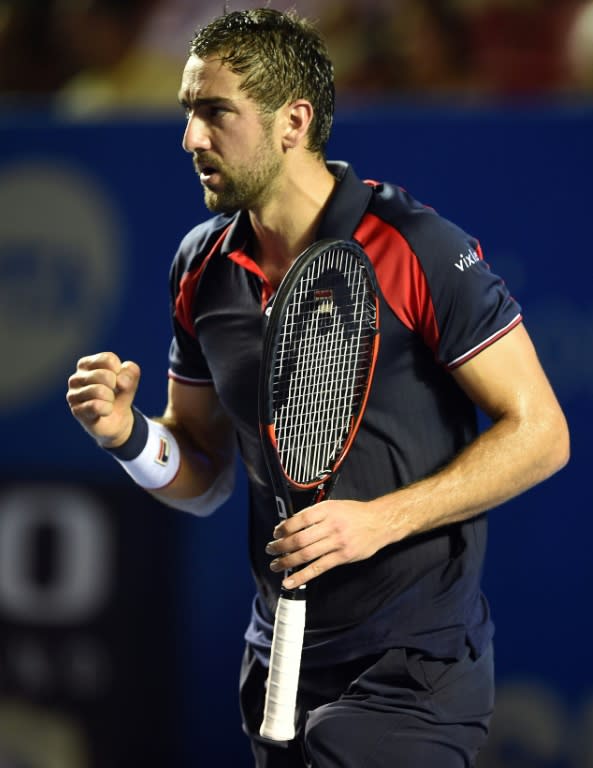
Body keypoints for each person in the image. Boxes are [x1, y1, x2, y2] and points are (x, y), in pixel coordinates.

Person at [66, 8, 570, 767]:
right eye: (186, 113)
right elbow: (202, 475)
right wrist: (129, 437)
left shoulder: (414, 247)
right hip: (277, 660)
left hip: (412, 669)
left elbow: (541, 434)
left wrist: (383, 520)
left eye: (214, 113)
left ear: (292, 120)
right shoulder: (200, 266)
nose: (190, 139)